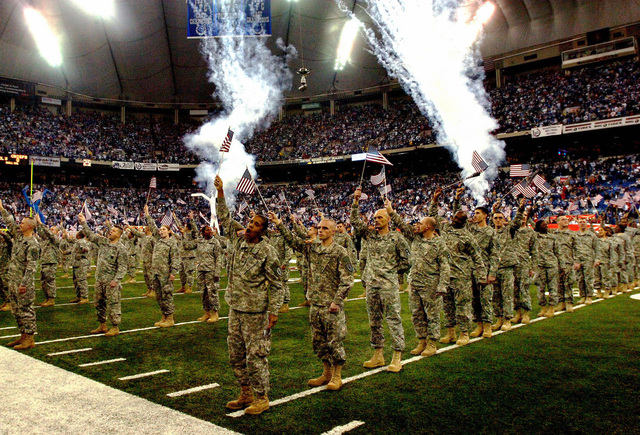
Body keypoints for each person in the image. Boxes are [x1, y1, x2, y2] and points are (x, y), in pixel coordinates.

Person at [215, 175, 284, 415]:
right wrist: (221, 193)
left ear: (263, 230)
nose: (249, 225)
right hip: (236, 308)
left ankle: (261, 397)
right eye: (250, 222)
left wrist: (274, 311)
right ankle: (245, 392)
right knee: (235, 353)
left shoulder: (268, 251)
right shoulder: (239, 239)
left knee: (256, 356)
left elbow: (277, 282)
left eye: (255, 224)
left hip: (256, 313)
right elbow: (225, 218)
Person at [270, 211, 353, 390]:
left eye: (325, 228)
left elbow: (347, 280)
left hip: (331, 306)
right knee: (319, 341)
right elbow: (294, 242)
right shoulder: (312, 247)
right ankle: (326, 373)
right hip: (315, 304)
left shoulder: (340, 252)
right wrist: (279, 223)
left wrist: (337, 301)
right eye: (319, 228)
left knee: (335, 341)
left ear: (333, 232)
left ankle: (337, 375)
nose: (320, 231)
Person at [351, 187, 410, 372]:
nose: (376, 220)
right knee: (374, 321)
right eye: (375, 218)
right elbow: (354, 221)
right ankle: (378, 354)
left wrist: (392, 271)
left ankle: (397, 356)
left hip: (388, 286)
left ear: (388, 220)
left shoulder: (397, 238)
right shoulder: (370, 235)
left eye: (380, 218)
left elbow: (407, 261)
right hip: (372, 285)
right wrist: (355, 201)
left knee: (393, 320)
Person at [386, 199, 450, 357]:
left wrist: (442, 286)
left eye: (420, 224)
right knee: (417, 314)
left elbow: (445, 265)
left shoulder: (439, 243)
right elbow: (403, 225)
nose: (416, 226)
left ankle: (432, 343)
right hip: (414, 284)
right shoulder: (416, 239)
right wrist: (391, 212)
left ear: (428, 226)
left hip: (431, 285)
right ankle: (421, 341)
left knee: (432, 315)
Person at [429, 189, 487, 345]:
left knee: (462, 306)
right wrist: (434, 201)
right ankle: (451, 333)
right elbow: (433, 218)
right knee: (448, 306)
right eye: (454, 217)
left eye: (457, 218)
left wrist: (482, 276)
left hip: (461, 276)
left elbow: (477, 257)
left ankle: (464, 333)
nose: (454, 219)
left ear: (463, 222)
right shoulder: (446, 229)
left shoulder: (468, 237)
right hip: (445, 276)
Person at [0, 200, 40, 350]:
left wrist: (24, 283)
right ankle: (22, 335)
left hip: (23, 283)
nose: (19, 225)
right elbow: (10, 223)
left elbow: (31, 267)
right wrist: (2, 209)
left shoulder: (32, 244)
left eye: (22, 223)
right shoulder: (19, 237)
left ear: (29, 226)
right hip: (14, 280)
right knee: (16, 310)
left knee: (25, 310)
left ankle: (29, 338)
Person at [79, 213, 127, 337]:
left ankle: (115, 326)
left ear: (119, 234)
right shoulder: (103, 242)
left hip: (111, 281)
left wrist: (116, 280)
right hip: (100, 280)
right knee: (99, 303)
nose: (111, 232)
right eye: (111, 230)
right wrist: (83, 222)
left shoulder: (121, 248)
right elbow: (90, 235)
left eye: (114, 231)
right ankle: (102, 324)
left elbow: (122, 266)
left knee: (113, 304)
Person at [490, 199, 526, 331]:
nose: (498, 220)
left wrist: (521, 209)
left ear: (504, 220)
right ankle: (499, 318)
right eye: (495, 218)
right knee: (495, 296)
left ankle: (507, 319)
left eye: (500, 218)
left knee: (507, 294)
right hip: (493, 268)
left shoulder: (509, 230)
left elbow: (516, 222)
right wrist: (493, 210)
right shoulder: (490, 232)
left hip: (506, 267)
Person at [144, 205, 180, 328]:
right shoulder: (158, 240)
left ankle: (170, 318)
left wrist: (173, 273)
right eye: (160, 230)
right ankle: (163, 316)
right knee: (159, 296)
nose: (160, 231)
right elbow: (153, 227)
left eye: (163, 230)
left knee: (167, 295)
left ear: (169, 231)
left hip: (166, 274)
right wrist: (147, 214)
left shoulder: (172, 243)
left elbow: (175, 258)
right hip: (156, 273)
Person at [193, 221, 223, 323]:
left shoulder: (215, 242)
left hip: (211, 270)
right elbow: (187, 245)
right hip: (201, 270)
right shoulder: (199, 241)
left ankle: (215, 313)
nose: (210, 231)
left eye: (211, 230)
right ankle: (207, 312)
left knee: (212, 292)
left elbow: (218, 258)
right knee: (203, 292)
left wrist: (217, 272)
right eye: (208, 230)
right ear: (203, 232)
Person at [533, 219, 559, 317]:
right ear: (538, 226)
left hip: (552, 264)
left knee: (553, 287)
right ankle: (543, 307)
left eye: (546, 224)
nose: (546, 226)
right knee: (540, 288)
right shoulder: (534, 236)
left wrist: (562, 265)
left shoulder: (552, 237)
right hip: (539, 265)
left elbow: (557, 251)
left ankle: (552, 307)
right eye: (543, 225)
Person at [552, 215, 577, 312]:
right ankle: (561, 302)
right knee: (558, 283)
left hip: (568, 261)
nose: (566, 221)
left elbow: (577, 248)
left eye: (566, 219)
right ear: (557, 222)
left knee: (568, 283)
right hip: (556, 262)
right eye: (563, 219)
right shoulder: (554, 234)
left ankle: (569, 302)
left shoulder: (572, 234)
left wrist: (576, 261)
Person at [35, 218, 61, 307]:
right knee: (44, 282)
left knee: (50, 281)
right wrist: (38, 224)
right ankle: (47, 298)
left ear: (57, 232)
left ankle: (51, 299)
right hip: (44, 261)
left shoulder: (55, 238)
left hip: (51, 262)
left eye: (53, 229)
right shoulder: (46, 239)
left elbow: (49, 234)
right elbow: (41, 233)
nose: (50, 230)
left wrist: (41, 223)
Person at [128, 225, 156, 297]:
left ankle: (153, 290)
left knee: (151, 276)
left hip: (150, 260)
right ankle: (149, 289)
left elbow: (155, 250)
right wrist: (130, 227)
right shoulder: (144, 236)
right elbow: (136, 233)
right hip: (144, 259)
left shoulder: (153, 238)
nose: (145, 229)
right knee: (146, 275)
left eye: (146, 228)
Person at [574, 217, 597, 305]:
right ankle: (583, 296)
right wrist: (575, 260)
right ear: (578, 224)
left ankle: (589, 296)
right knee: (580, 279)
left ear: (586, 223)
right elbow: (573, 248)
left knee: (589, 279)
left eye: (584, 222)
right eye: (580, 222)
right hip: (578, 259)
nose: (582, 223)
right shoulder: (575, 235)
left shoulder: (592, 235)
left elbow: (596, 248)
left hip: (589, 259)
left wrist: (597, 259)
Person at [69, 230, 91, 304]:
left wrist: (83, 250)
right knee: (76, 282)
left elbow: (86, 249)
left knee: (81, 281)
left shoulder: (81, 241)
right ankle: (78, 296)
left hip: (81, 263)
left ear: (79, 235)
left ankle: (85, 297)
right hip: (76, 263)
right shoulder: (78, 241)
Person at [0, 230, 12, 312]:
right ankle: (5, 301)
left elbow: (9, 240)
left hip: (5, 267)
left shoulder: (8, 244)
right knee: (1, 286)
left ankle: (9, 303)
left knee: (6, 285)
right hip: (1, 267)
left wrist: (3, 234)